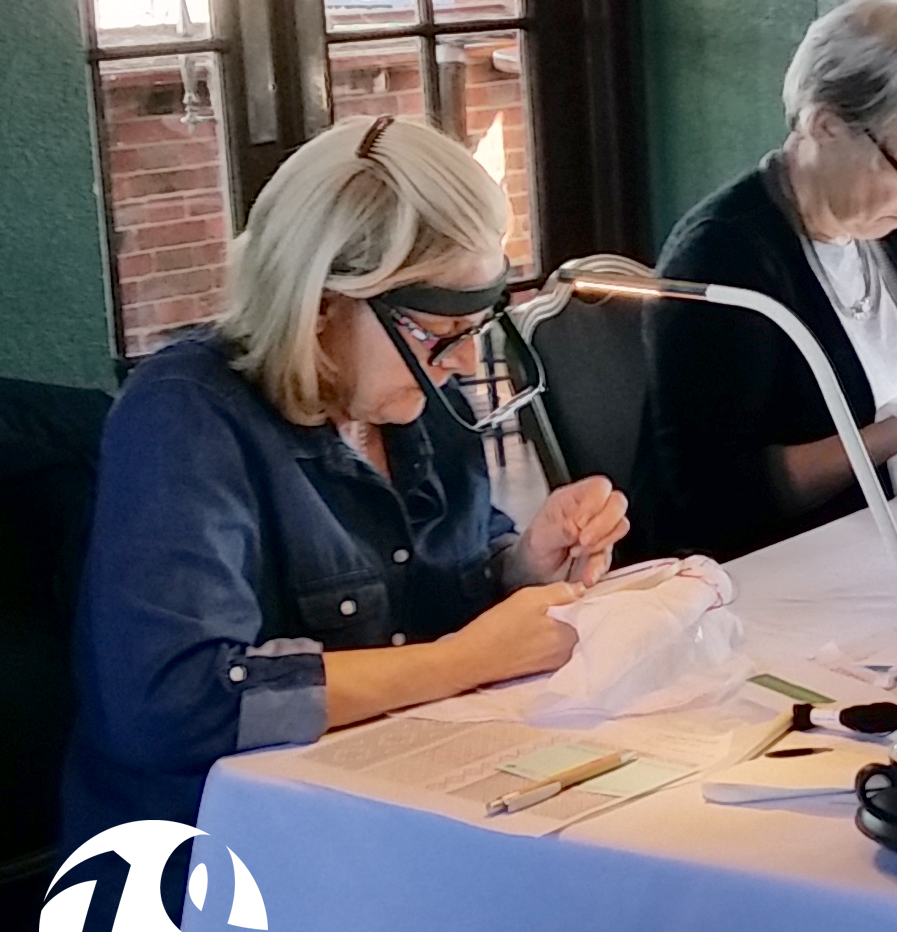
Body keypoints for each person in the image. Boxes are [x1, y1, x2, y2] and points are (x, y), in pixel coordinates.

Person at [63, 114, 631, 850]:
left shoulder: (412, 397)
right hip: (207, 874)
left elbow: (438, 576)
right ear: (321, 308)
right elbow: (174, 706)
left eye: (478, 330)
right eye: (439, 335)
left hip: (388, 816)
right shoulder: (185, 416)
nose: (463, 365)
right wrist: (469, 660)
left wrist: (522, 565)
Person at [636, 0, 897, 559]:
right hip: (772, 582)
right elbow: (716, 497)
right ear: (825, 124)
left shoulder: (889, 227)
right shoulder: (723, 258)